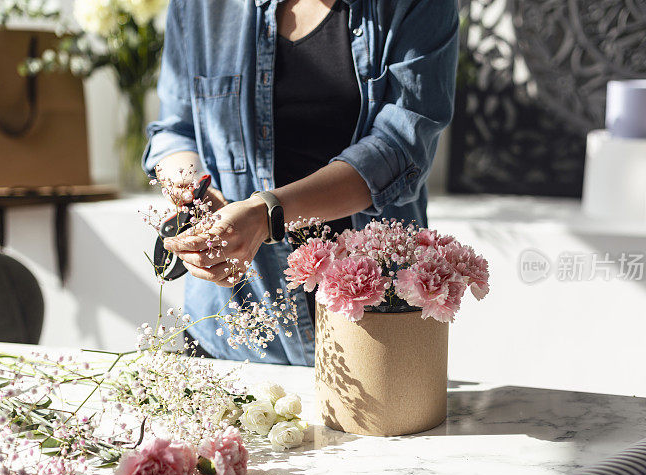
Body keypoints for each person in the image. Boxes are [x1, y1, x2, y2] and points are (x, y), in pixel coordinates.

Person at [144, 0, 458, 365]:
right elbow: (174, 131)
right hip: (231, 332)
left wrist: (266, 215)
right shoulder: (200, 6)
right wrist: (196, 199)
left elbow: (397, 149)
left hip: (375, 328)